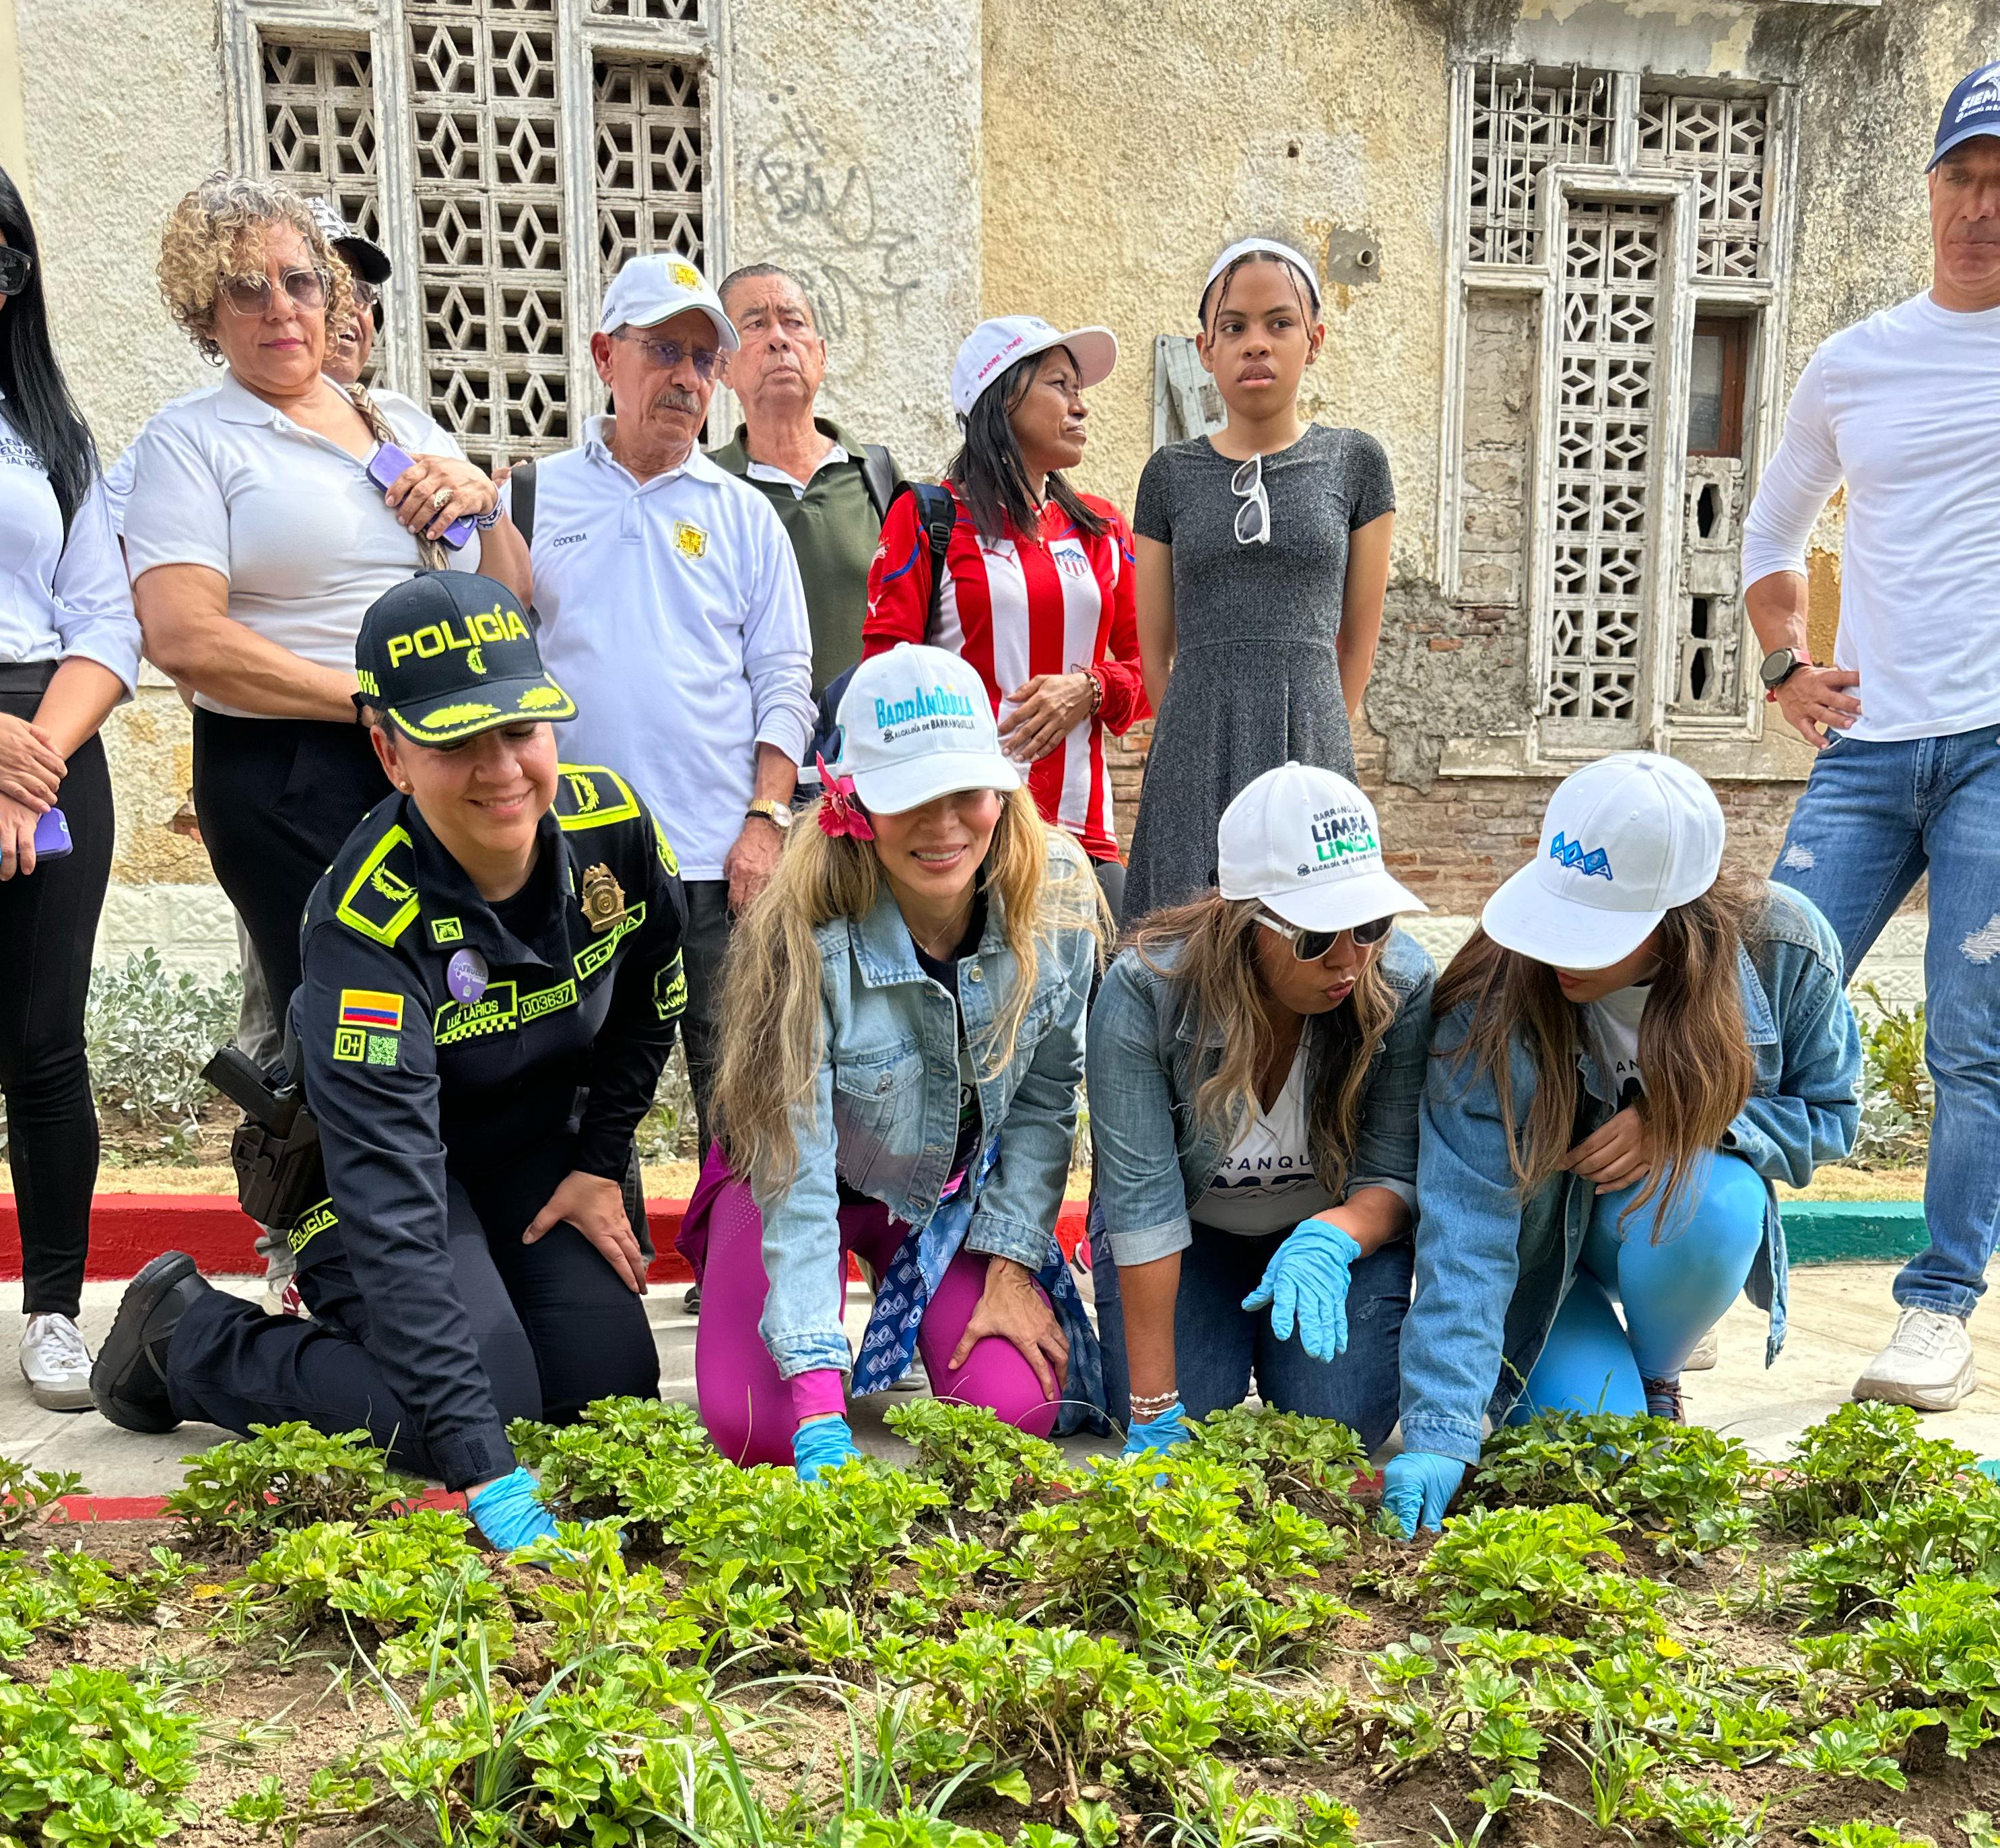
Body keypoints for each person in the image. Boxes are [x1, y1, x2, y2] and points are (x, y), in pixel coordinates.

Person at [90, 577, 686, 1558]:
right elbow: (393, 1206)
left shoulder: (611, 828)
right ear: (390, 752)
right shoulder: (367, 926)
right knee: (479, 1411)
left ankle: (481, 1323)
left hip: (532, 1165)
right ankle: (187, 1337)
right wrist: (481, 1466)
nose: (500, 770)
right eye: (456, 741)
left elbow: (656, 995)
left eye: (521, 730)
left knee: (605, 1395)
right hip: (375, 1187)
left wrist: (600, 1161)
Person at [1380, 755, 1863, 1538]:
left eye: (1597, 933)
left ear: (1679, 920)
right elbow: (1468, 1228)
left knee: (1717, 1198)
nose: (1562, 953)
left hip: (1662, 1228)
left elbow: (1831, 1118)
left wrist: (1686, 1122)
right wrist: (1441, 1432)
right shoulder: (1491, 1002)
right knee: (1594, 1455)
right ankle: (1606, 1374)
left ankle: (1657, 1371)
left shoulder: (1783, 947)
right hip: (1541, 1261)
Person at [1741, 63, 2000, 1413]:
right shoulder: (1858, 362)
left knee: (1972, 1031)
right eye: (1963, 174)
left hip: (1997, 752)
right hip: (1871, 748)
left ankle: (1938, 1306)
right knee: (1753, 999)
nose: (1980, 204)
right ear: (1931, 188)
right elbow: (1771, 530)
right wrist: (1787, 665)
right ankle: (1703, 1241)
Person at [686, 644, 1104, 1478]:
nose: (944, 825)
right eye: (909, 797)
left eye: (965, 791)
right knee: (757, 1431)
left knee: (1020, 1408)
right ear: (853, 804)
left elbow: (1045, 1101)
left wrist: (1014, 1263)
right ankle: (785, 1306)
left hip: (942, 1198)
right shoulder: (797, 931)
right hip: (788, 1184)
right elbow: (795, 1168)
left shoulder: (1056, 891)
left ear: (1001, 786)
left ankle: (908, 1292)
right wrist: (813, 1400)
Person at [120, 176, 530, 1026]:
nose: (281, 307)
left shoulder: (402, 422)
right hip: (292, 768)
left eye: (300, 281)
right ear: (205, 312)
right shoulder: (191, 439)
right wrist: (370, 705)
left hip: (433, 752)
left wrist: (482, 506)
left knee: (470, 1016)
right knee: (355, 1028)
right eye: (246, 286)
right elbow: (183, 635)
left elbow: (510, 600)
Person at [528, 251, 815, 1167]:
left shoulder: (742, 515)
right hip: (573, 852)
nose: (689, 377)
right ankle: (587, 1273)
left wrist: (766, 821)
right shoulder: (528, 500)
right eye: (666, 350)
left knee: (739, 1089)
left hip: (713, 859)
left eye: (703, 358)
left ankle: (731, 1278)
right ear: (605, 354)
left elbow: (784, 679)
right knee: (572, 1090)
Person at [1087, 765, 1433, 1461]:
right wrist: (1154, 1409)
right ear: (1247, 921)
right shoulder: (1143, 994)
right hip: (1192, 1233)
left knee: (1339, 1428)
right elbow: (1144, 1204)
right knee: (1187, 1430)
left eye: (1370, 925)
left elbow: (1396, 1173)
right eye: (1315, 937)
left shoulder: (1400, 984)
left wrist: (1335, 1235)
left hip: (1332, 1243)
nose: (1349, 960)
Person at [0, 139, 139, 1412]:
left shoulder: (46, 431)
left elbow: (106, 620)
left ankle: (54, 1309)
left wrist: (24, 769)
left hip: (47, 747)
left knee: (41, 1048)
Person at [1125, 239, 1394, 928]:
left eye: (1280, 324)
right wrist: (1189, 733)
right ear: (1205, 348)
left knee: (1310, 943)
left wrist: (1320, 725)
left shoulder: (1356, 464)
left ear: (1316, 340)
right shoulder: (1168, 475)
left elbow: (1356, 640)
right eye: (1234, 327)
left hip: (1312, 732)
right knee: (1181, 949)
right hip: (1194, 743)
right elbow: (1154, 646)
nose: (1256, 345)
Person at [861, 315, 1143, 902]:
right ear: (1002, 398)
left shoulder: (1104, 529)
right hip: (966, 840)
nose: (1080, 407)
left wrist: (1089, 688)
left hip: (1083, 840)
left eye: (1079, 390)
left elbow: (1157, 672)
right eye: (1059, 385)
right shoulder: (928, 516)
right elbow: (883, 679)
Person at [710, 263, 902, 702]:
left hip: (870, 752)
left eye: (793, 322)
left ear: (821, 354)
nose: (779, 338)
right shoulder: (707, 489)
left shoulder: (876, 475)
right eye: (756, 324)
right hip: (750, 755)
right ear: (723, 367)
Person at [313, 201, 390, 389]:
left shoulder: (394, 416)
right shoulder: (240, 416)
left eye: (360, 290)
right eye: (328, 286)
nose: (347, 304)